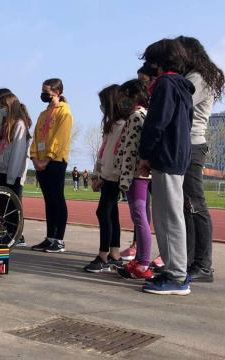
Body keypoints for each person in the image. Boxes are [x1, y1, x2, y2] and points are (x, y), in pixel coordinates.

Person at [138, 38, 194, 295]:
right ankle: (175, 268)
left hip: (166, 157)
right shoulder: (181, 87)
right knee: (170, 215)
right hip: (177, 155)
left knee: (167, 217)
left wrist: (146, 154)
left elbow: (156, 124)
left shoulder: (165, 85)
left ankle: (177, 275)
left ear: (158, 63)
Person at [177, 36, 224, 283]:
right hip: (187, 144)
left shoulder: (198, 78)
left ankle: (203, 264)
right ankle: (191, 260)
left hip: (193, 145)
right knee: (188, 205)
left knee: (196, 203)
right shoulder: (193, 76)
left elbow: (178, 104)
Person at [113, 79, 153, 279]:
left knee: (140, 216)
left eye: (124, 97)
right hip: (136, 174)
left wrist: (125, 174)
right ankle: (140, 259)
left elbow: (131, 148)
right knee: (140, 216)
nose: (122, 101)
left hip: (137, 175)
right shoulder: (139, 115)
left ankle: (144, 262)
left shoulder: (137, 116)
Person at [30, 78, 74, 253]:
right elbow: (36, 137)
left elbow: (59, 139)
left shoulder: (65, 113)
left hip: (55, 161)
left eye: (46, 91)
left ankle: (59, 239)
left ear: (57, 92)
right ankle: (50, 237)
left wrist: (47, 159)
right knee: (48, 200)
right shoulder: (43, 114)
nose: (43, 94)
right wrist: (34, 157)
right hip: (40, 162)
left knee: (57, 199)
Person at [84, 85, 125, 273]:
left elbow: (120, 153)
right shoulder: (111, 125)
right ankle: (114, 254)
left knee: (103, 212)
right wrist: (96, 174)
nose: (101, 107)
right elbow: (102, 151)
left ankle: (103, 255)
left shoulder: (125, 124)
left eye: (103, 103)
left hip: (115, 176)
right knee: (112, 213)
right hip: (107, 175)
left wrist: (111, 175)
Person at [0, 93, 32, 246]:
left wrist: (12, 175)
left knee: (13, 205)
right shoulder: (6, 125)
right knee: (3, 204)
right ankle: (9, 233)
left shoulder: (19, 124)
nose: (0, 110)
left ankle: (17, 235)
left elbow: (17, 152)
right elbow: (1, 150)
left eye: (2, 106)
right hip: (3, 170)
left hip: (13, 173)